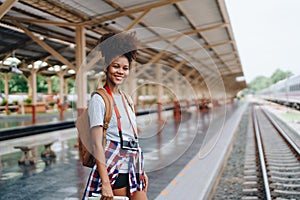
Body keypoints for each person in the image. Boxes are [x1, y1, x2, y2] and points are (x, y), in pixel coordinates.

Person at [83, 32, 148, 200]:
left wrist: (142, 171)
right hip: (114, 170)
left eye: (125, 68)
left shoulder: (127, 99)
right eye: (116, 66)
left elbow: (132, 137)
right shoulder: (99, 99)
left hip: (133, 169)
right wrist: (105, 183)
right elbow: (97, 144)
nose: (120, 71)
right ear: (106, 67)